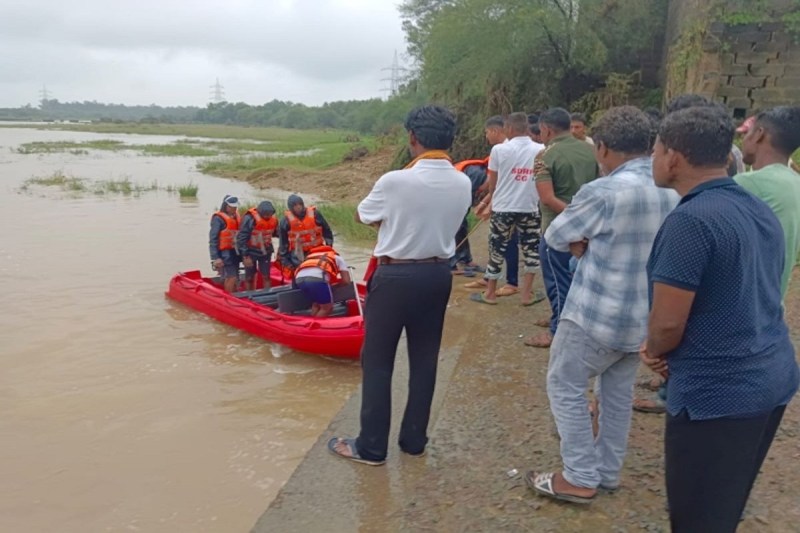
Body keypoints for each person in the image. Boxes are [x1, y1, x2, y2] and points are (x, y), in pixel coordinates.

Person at [642, 105, 799, 532]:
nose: (653, 161)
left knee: (697, 516)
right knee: (724, 503)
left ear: (673, 156)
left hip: (718, 394)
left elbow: (668, 324)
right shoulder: (755, 206)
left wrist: (654, 349)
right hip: (772, 376)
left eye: (655, 150)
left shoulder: (690, 221)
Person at [525, 106, 679, 504]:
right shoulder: (672, 190)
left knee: (565, 386)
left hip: (595, 315)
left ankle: (578, 475)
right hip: (640, 319)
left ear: (604, 148)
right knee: (615, 396)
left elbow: (557, 235)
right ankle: (607, 471)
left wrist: (582, 242)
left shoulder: (603, 191)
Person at [327, 105, 471, 465]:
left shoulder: (395, 180)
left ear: (412, 138)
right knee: (424, 359)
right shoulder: (462, 180)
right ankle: (413, 441)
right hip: (438, 275)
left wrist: (395, 224)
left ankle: (372, 447)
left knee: (377, 361)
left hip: (394, 278)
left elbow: (363, 215)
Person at [527, 108, 599, 348]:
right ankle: (564, 322)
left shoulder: (545, 156)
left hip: (557, 231)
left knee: (558, 282)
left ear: (546, 129)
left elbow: (547, 198)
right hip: (591, 228)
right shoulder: (592, 150)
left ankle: (557, 332)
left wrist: (573, 219)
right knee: (581, 281)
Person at [470, 112, 544, 306]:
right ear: (527, 128)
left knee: (496, 249)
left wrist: (489, 202)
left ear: (509, 129)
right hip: (529, 206)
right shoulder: (541, 149)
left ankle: (490, 294)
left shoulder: (499, 150)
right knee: (531, 251)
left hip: (504, 207)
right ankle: (526, 295)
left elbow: (493, 183)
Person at [736, 106, 800, 299]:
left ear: (759, 135)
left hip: (746, 305)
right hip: (773, 304)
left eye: (747, 133)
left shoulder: (748, 183)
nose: (742, 140)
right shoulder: (795, 181)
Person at [463, 115, 524, 297]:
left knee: (509, 242)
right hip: (504, 201)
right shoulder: (501, 149)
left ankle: (512, 283)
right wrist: (485, 203)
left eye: (487, 132)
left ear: (496, 131)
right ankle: (490, 278)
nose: (486, 136)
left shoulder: (506, 150)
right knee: (495, 241)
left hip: (511, 204)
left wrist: (488, 204)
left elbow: (499, 183)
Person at [277, 194, 333, 279]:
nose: (298, 207)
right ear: (291, 208)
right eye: (295, 205)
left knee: (321, 272)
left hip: (316, 250)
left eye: (300, 204)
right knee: (299, 274)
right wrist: (285, 261)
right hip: (298, 254)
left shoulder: (315, 214)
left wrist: (329, 246)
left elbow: (327, 230)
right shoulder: (285, 221)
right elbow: (283, 243)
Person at [293, 245, 351, 317]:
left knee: (316, 304)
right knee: (327, 308)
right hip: (317, 280)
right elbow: (346, 281)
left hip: (299, 279)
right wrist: (334, 286)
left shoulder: (311, 256)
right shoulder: (337, 257)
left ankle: (311, 322)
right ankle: (314, 326)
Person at [236, 200, 278, 291]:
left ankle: (267, 294)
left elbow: (276, 233)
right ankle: (249, 295)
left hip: (265, 251)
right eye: (266, 214)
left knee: (266, 276)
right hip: (250, 251)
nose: (268, 216)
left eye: (270, 214)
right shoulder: (249, 218)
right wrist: (245, 256)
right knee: (249, 277)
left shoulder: (273, 220)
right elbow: (242, 238)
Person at [209, 194, 241, 293]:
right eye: (232, 207)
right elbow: (213, 239)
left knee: (235, 276)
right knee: (231, 277)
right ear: (226, 206)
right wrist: (215, 257)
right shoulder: (218, 219)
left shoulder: (236, 217)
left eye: (235, 207)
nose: (234, 209)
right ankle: (229, 298)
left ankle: (234, 293)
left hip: (235, 251)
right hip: (225, 253)